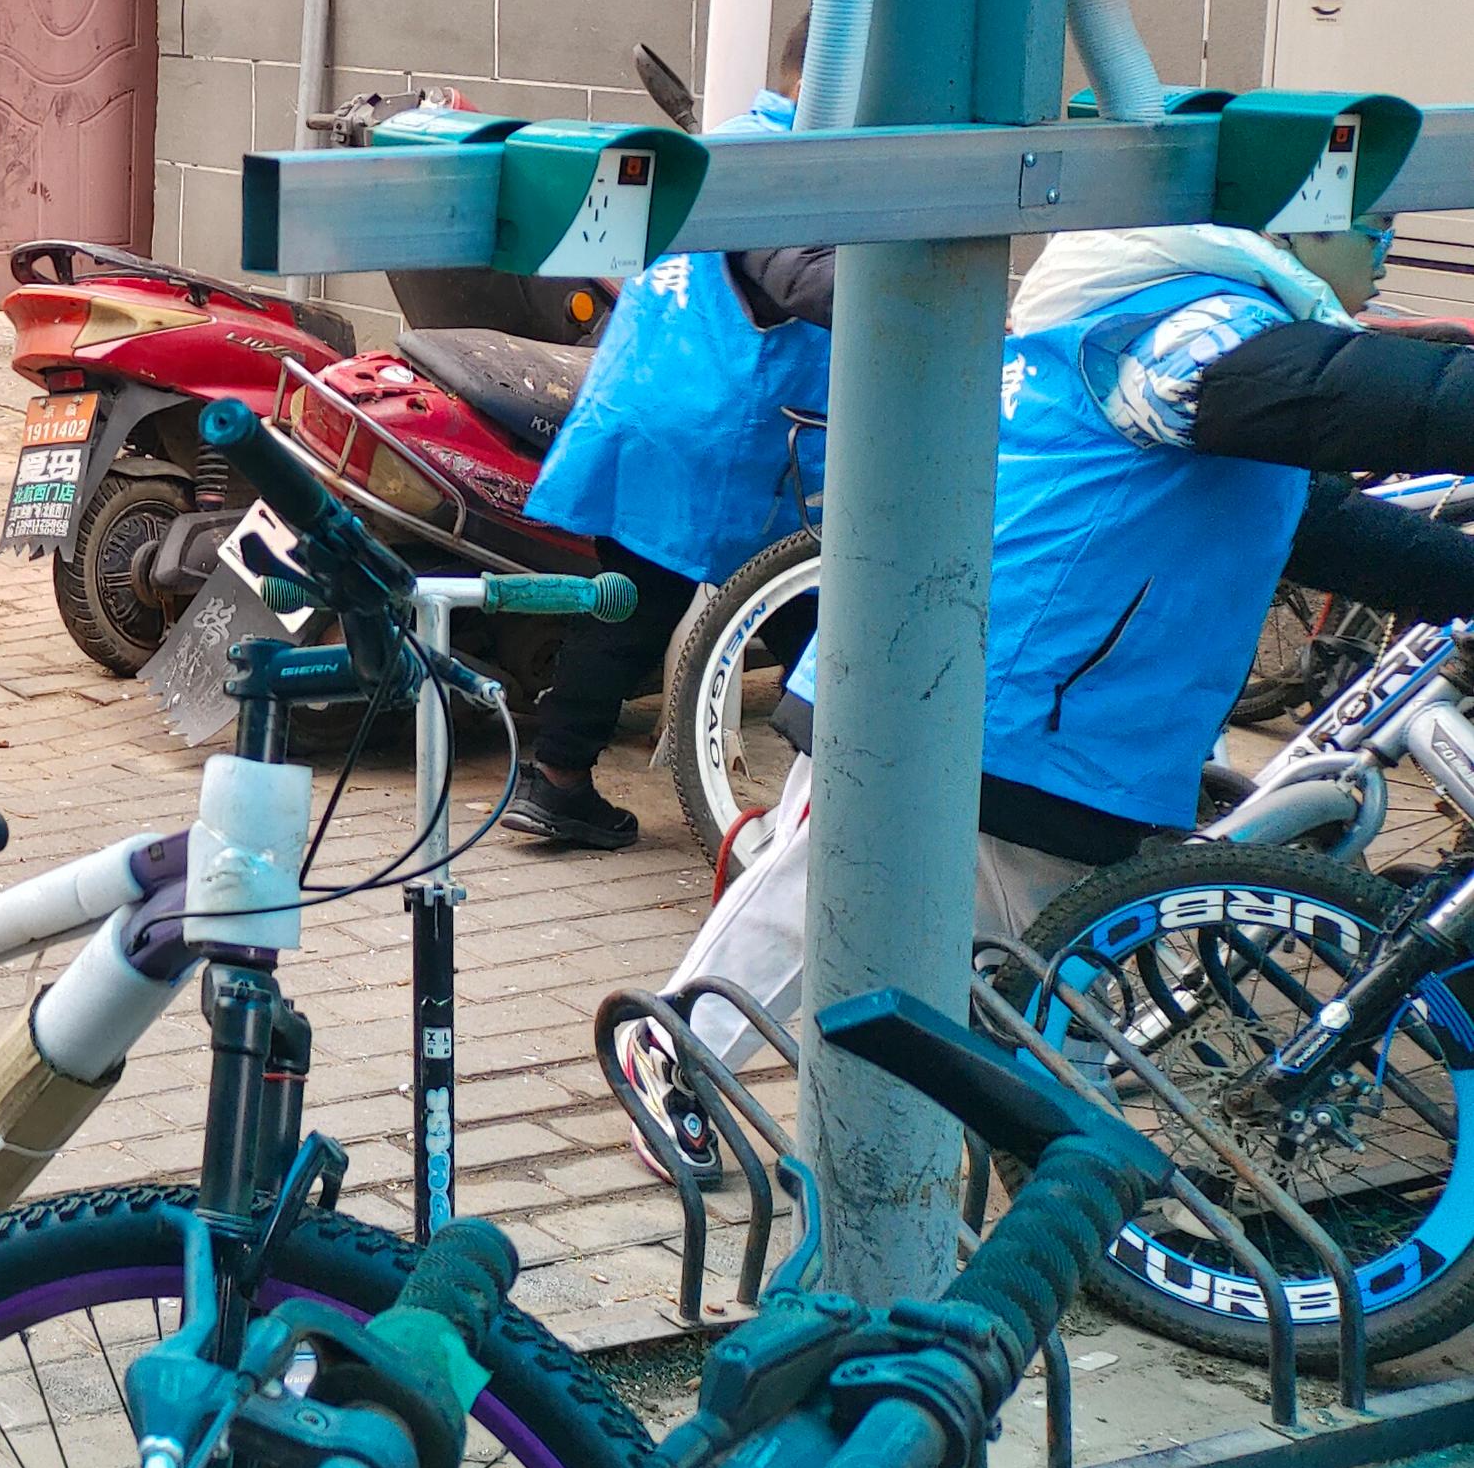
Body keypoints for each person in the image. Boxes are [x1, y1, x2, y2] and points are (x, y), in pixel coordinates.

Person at [631, 214, 1474, 1165]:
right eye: (1373, 224)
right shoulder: (1188, 326)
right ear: (1294, 228)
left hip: (1051, 719)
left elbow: (1327, 525)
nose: (1388, 249)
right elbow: (1340, 392)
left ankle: (1055, 1180)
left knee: (1038, 965)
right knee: (822, 905)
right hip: (976, 697)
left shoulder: (1208, 324)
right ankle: (670, 1055)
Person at [500, 25, 832, 853]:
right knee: (806, 610)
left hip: (648, 402)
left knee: (632, 603)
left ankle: (555, 780)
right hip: (712, 432)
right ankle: (842, 804)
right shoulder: (782, 165)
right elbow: (801, 277)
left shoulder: (732, 144)